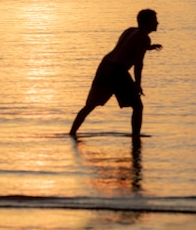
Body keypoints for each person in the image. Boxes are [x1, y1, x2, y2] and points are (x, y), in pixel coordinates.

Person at [69, 9, 162, 138]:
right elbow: (138, 63)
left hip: (105, 65)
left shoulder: (130, 31)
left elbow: (126, 48)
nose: (157, 23)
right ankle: (136, 138)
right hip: (117, 71)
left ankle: (72, 133)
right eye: (154, 20)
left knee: (90, 105)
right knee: (137, 106)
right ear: (147, 22)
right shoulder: (144, 38)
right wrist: (137, 85)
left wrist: (148, 48)